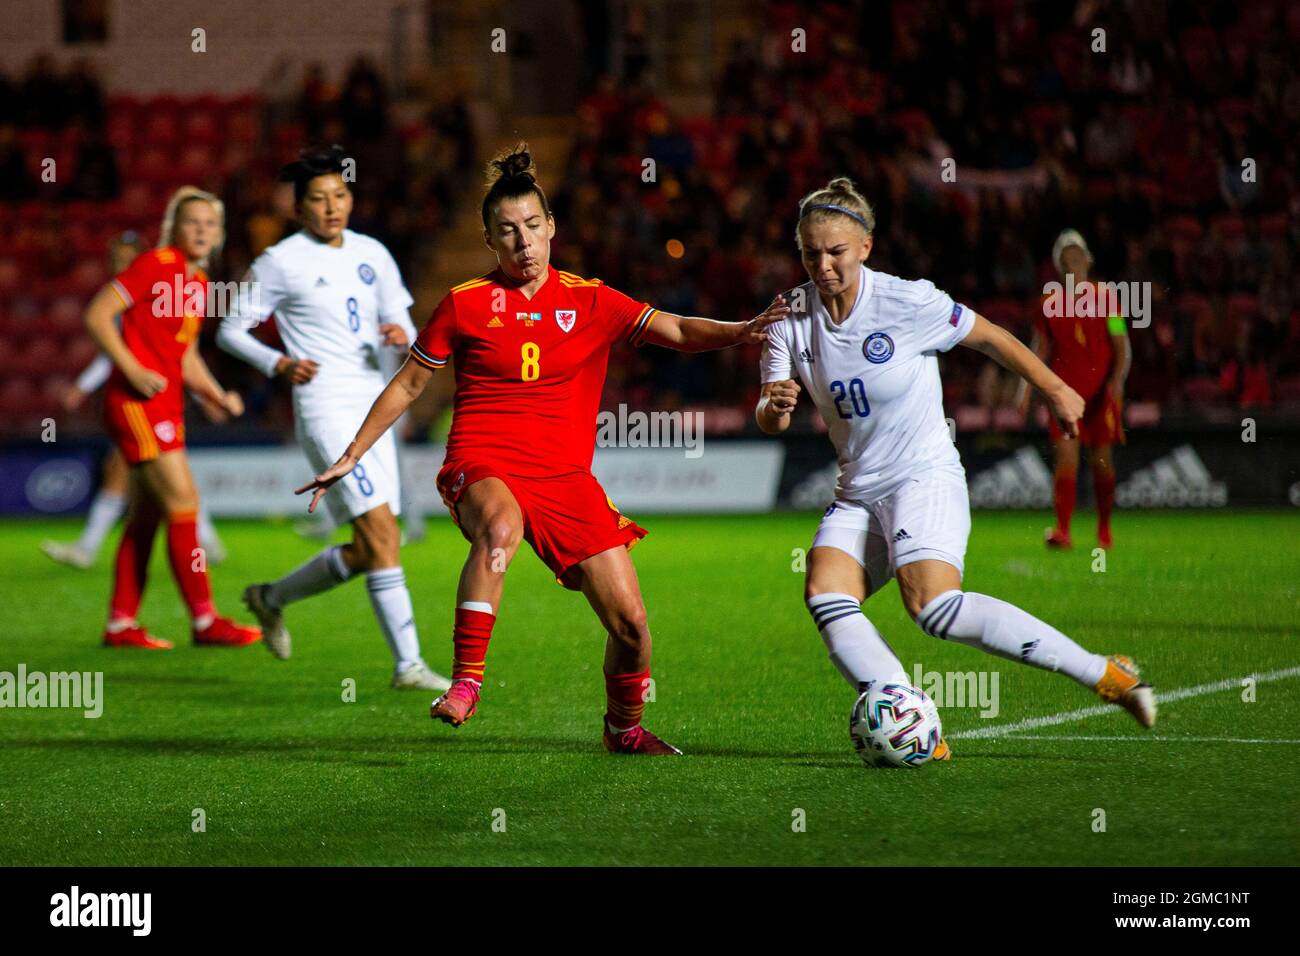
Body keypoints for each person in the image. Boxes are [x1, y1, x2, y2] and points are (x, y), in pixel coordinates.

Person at [298, 144, 786, 754]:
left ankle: (624, 731)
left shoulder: (592, 300)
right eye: (507, 232)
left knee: (632, 628)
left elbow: (679, 330)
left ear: (552, 228)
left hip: (564, 478)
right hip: (481, 462)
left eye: (532, 227)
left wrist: (742, 330)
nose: (522, 242)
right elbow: (410, 382)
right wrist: (351, 454)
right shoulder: (465, 302)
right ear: (488, 240)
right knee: (499, 527)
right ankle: (467, 682)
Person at [755, 179, 1155, 755]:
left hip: (923, 474)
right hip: (857, 488)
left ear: (865, 246)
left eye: (835, 251)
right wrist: (774, 407)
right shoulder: (788, 316)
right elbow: (771, 413)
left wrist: (1054, 389)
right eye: (810, 252)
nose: (822, 265)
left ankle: (1104, 673)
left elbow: (990, 338)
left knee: (933, 607)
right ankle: (906, 714)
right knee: (824, 593)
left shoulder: (906, 300)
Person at [218, 145, 448, 691]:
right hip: (325, 411)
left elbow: (404, 324)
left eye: (339, 195)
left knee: (372, 548)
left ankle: (269, 598)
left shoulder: (374, 252)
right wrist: (278, 361)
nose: (331, 207)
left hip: (376, 412)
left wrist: (400, 334)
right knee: (383, 533)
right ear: (298, 209)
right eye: (317, 199)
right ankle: (408, 665)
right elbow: (230, 328)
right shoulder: (280, 261)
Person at [84, 187, 260, 649]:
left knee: (146, 516)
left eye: (209, 223)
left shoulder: (199, 282)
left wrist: (216, 396)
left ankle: (121, 624)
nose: (201, 230)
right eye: (192, 221)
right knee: (184, 503)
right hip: (135, 404)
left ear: (219, 234)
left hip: (166, 405)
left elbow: (185, 357)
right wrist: (132, 368)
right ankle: (206, 621)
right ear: (175, 227)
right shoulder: (155, 265)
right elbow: (98, 315)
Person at [43, 232, 227, 569]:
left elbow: (181, 354)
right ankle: (205, 546)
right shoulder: (125, 299)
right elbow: (117, 354)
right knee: (144, 476)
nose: (120, 264)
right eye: (116, 258)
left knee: (158, 479)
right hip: (137, 400)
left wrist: (207, 397)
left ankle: (199, 560)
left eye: (128, 258)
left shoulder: (151, 297)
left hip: (154, 400)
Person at [1020, 229, 1129, 549]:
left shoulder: (1108, 298)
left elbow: (1121, 344)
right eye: (1066, 262)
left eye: (1077, 258)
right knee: (1067, 458)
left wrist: (1117, 381)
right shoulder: (1048, 304)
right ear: (1059, 267)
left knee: (1102, 462)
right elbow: (1039, 349)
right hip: (1066, 395)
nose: (1072, 266)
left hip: (1100, 395)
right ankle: (1063, 531)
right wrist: (1024, 391)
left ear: (1088, 261)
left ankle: (1104, 530)